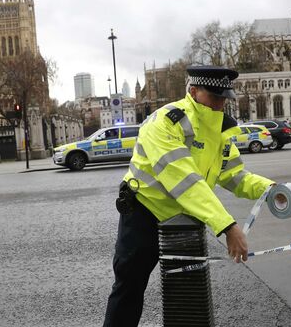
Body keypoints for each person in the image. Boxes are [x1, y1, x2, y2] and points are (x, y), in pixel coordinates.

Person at [103, 66, 275, 327]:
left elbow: (234, 176)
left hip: (183, 221)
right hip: (144, 214)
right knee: (129, 289)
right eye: (215, 97)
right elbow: (184, 181)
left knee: (186, 294)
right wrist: (227, 226)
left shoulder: (218, 130)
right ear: (193, 91)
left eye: (224, 98)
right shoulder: (166, 122)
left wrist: (272, 189)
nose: (220, 105)